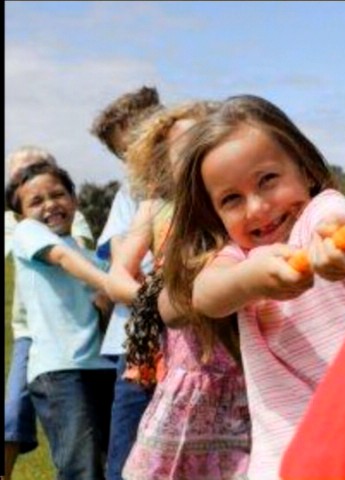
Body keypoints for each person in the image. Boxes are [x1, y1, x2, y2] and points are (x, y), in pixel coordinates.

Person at [162, 94, 345, 479]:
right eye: (232, 199)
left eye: (268, 180)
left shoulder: (319, 212)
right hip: (285, 455)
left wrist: (340, 249)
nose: (257, 207)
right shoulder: (239, 257)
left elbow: (343, 228)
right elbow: (206, 295)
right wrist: (249, 280)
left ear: (306, 170)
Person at [103, 100, 251, 479]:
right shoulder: (154, 206)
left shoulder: (228, 199)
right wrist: (160, 302)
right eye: (181, 147)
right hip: (176, 348)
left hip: (237, 346)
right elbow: (117, 275)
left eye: (203, 139)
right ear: (162, 160)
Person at [5, 161, 116, 480]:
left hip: (103, 367)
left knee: (112, 463)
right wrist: (108, 283)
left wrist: (106, 296)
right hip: (61, 371)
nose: (51, 204)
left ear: (74, 200)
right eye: (36, 201)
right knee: (82, 467)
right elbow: (62, 259)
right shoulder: (28, 234)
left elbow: (102, 311)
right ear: (21, 214)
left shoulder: (93, 257)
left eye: (58, 194)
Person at [89, 85, 164, 480]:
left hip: (190, 338)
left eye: (141, 140)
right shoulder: (129, 195)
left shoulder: (202, 179)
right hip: (134, 339)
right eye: (124, 152)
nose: (136, 156)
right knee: (127, 444)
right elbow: (121, 260)